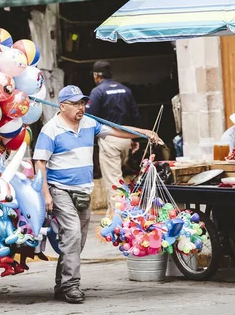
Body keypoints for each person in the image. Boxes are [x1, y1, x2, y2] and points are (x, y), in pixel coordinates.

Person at [33, 85, 159, 304]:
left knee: (77, 241)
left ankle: (61, 285)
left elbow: (117, 130)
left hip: (83, 191)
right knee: (72, 235)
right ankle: (72, 286)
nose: (80, 108)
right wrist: (46, 194)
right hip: (60, 189)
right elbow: (40, 163)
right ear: (62, 106)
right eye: (75, 104)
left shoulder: (90, 124)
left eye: (82, 103)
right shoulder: (50, 130)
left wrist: (143, 133)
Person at [86, 60, 141, 216]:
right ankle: (114, 213)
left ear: (96, 75)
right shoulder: (125, 90)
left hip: (110, 139)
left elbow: (91, 118)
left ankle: (121, 217)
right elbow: (136, 116)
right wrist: (135, 139)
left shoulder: (97, 92)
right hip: (126, 140)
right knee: (119, 178)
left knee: (113, 182)